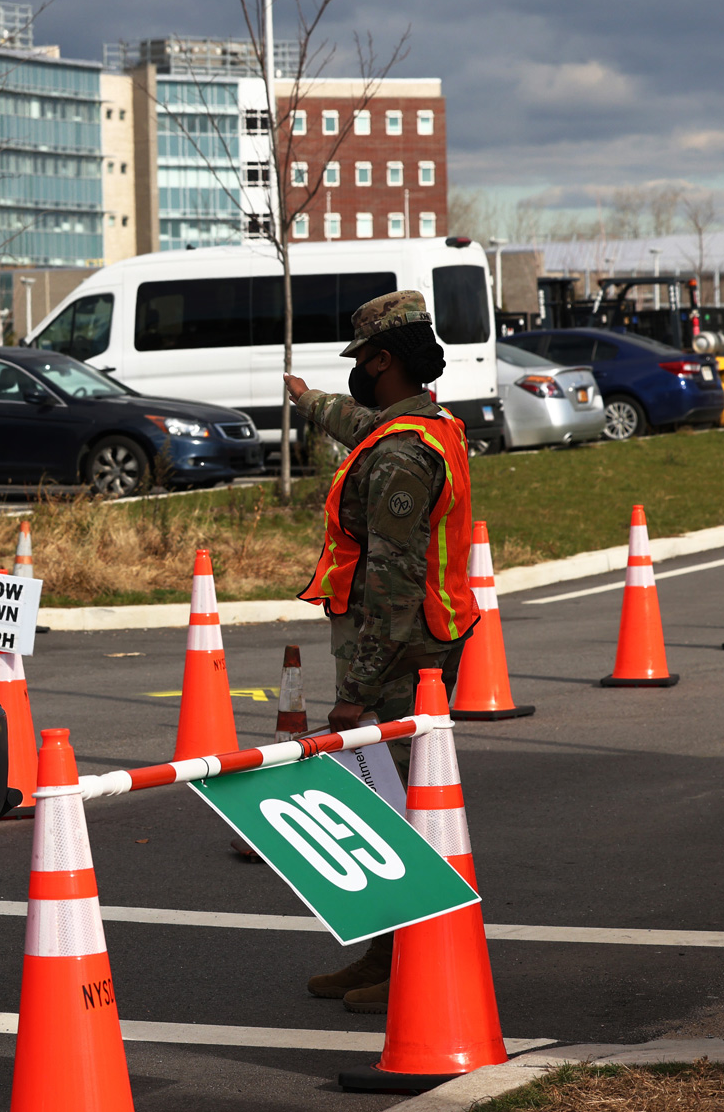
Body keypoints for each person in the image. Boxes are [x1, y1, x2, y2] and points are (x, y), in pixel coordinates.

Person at [285, 290, 478, 1016]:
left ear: (383, 360)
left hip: (402, 659)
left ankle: (413, 964)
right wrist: (309, 401)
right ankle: (387, 950)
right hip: (424, 645)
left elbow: (394, 583)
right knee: (395, 808)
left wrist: (354, 691)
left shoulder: (402, 456)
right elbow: (359, 420)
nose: (357, 375)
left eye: (361, 361)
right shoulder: (426, 425)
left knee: (400, 816)